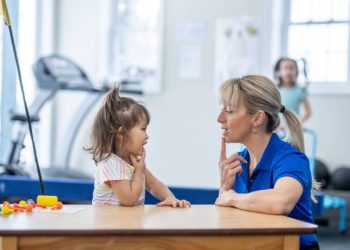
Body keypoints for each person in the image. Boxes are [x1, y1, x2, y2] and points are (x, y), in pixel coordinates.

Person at [215, 75, 319, 250]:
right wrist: (224, 188)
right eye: (221, 109)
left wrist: (232, 197)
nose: (219, 118)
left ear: (257, 118)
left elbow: (281, 202)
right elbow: (227, 217)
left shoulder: (290, 159)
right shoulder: (239, 162)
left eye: (230, 111)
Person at [86, 86, 190, 208]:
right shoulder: (110, 163)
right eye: (143, 129)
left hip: (127, 224)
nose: (147, 136)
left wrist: (170, 198)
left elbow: (154, 184)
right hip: (108, 226)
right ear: (121, 134)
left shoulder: (133, 162)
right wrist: (139, 172)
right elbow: (128, 199)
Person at [274, 57, 311, 124]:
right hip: (277, 128)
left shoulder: (300, 90)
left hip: (293, 127)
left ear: (297, 71)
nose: (288, 72)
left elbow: (308, 111)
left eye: (291, 68)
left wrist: (299, 122)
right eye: (285, 68)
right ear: (279, 71)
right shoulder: (274, 90)